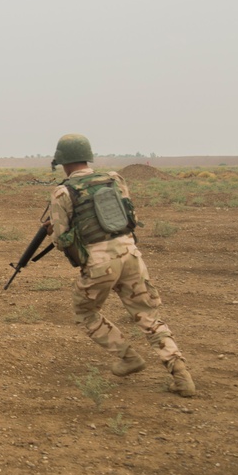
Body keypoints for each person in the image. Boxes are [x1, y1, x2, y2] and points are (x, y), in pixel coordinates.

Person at [45, 133, 195, 397]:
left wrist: (54, 231)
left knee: (86, 312)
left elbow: (61, 239)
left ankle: (128, 357)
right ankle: (181, 373)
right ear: (87, 156)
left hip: (100, 263)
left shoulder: (62, 192)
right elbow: (130, 216)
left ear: (63, 162)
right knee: (149, 317)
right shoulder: (115, 180)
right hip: (130, 254)